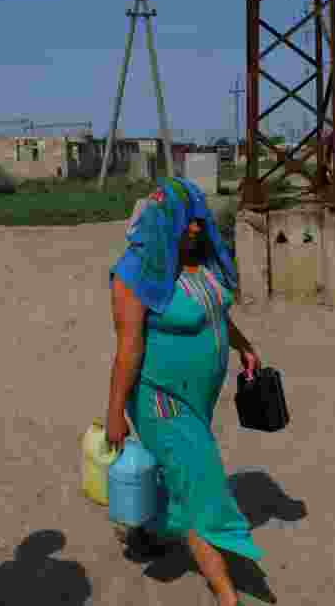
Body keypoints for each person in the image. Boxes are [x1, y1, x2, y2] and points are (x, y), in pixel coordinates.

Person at [107, 176, 262, 606]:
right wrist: (115, 412)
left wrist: (243, 345)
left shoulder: (202, 262)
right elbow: (128, 349)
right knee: (202, 489)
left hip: (199, 399)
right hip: (159, 401)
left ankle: (145, 528)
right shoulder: (135, 274)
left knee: (177, 472)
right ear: (162, 221)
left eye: (198, 219)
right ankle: (227, 596)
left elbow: (215, 314)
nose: (194, 228)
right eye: (184, 221)